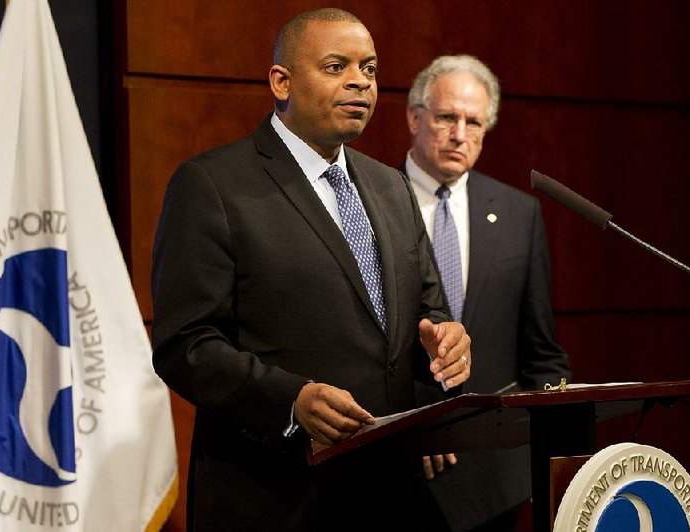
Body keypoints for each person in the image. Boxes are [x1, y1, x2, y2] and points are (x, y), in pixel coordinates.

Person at [150, 9, 472, 532]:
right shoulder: (212, 185)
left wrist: (444, 342)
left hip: (389, 497)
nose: (359, 81)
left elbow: (426, 310)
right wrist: (290, 402)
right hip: (275, 498)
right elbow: (185, 346)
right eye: (335, 66)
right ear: (282, 81)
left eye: (368, 68)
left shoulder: (390, 186)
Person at [402, 54, 571, 530]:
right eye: (446, 117)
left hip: (495, 478)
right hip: (398, 467)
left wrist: (552, 454)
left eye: (473, 122)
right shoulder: (371, 201)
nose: (459, 134)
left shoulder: (520, 214)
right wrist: (414, 425)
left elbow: (542, 350)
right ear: (415, 117)